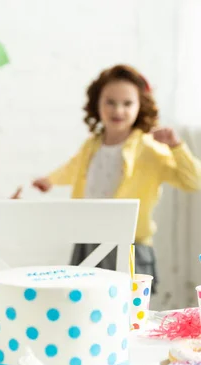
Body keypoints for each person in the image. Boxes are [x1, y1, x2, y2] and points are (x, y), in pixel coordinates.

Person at [32, 64, 201, 292]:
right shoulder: (92, 146)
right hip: (88, 240)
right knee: (82, 303)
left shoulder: (149, 150)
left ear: (140, 106)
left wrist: (177, 148)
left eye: (127, 103)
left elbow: (193, 181)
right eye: (110, 102)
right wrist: (50, 180)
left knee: (130, 312)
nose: (118, 110)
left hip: (130, 244)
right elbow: (71, 169)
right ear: (97, 104)